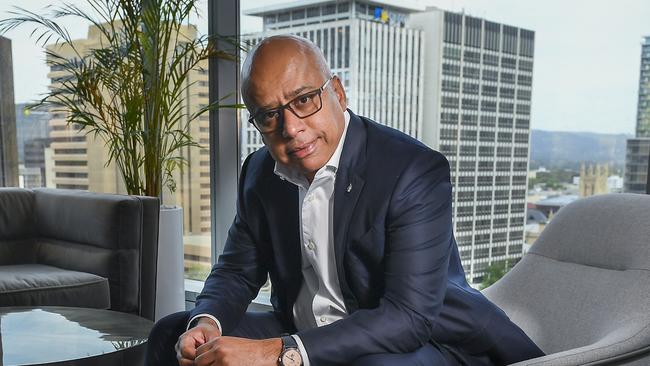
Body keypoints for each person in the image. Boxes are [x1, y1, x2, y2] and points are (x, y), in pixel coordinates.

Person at [145, 35, 544, 366]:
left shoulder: (413, 170)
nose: (292, 128)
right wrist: (207, 324)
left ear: (337, 91)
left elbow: (407, 318)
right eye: (269, 115)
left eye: (304, 100)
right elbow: (236, 272)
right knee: (171, 334)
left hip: (422, 342)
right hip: (304, 330)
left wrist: (279, 353)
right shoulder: (260, 172)